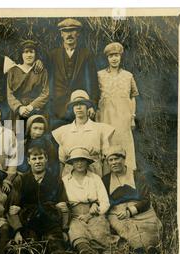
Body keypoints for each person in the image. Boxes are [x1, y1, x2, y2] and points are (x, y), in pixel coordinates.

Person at [8, 146, 68, 254]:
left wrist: (64, 229)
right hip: (28, 223)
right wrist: (17, 231)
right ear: (28, 161)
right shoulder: (21, 180)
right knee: (32, 252)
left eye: (40, 158)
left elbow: (64, 206)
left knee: (57, 253)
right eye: (34, 159)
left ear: (46, 159)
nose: (38, 162)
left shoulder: (55, 180)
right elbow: (12, 209)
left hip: (50, 223)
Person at [102, 146, 162, 254]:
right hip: (117, 212)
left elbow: (145, 200)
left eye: (117, 159)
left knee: (149, 225)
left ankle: (151, 248)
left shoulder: (138, 176)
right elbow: (104, 200)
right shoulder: (105, 180)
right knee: (127, 227)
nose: (114, 163)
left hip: (140, 208)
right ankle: (138, 248)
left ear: (124, 159)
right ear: (108, 163)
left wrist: (130, 211)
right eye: (111, 160)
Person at [61, 147, 119, 254]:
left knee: (99, 230)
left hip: (94, 214)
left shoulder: (95, 178)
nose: (79, 163)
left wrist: (94, 209)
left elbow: (105, 202)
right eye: (76, 160)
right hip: (74, 216)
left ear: (87, 162)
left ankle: (100, 248)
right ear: (71, 163)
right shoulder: (65, 180)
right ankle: (85, 250)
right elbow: (61, 201)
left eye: (82, 160)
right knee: (75, 230)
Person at [46, 18, 99, 130]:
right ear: (61, 34)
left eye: (72, 31)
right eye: (65, 31)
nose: (69, 34)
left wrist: (91, 105)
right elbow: (48, 81)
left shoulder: (86, 55)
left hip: (80, 108)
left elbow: (92, 83)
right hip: (57, 108)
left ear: (78, 33)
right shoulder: (53, 55)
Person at [52, 90, 114, 177]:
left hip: (95, 174)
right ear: (72, 108)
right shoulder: (63, 131)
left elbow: (106, 159)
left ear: (87, 107)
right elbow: (61, 161)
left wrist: (105, 182)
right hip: (70, 177)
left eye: (82, 104)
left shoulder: (100, 129)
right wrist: (60, 183)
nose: (78, 107)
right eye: (75, 105)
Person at [97, 42, 139, 170]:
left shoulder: (128, 76)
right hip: (106, 116)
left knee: (124, 144)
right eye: (111, 56)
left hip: (123, 117)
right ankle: (107, 178)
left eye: (116, 55)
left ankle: (126, 178)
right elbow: (96, 96)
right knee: (107, 143)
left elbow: (133, 97)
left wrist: (132, 117)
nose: (114, 59)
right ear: (107, 58)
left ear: (120, 57)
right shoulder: (100, 75)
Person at [7, 40, 49, 131]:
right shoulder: (13, 71)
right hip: (18, 111)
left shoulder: (41, 71)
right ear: (21, 54)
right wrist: (19, 108)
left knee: (35, 135)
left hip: (36, 110)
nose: (29, 55)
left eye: (31, 52)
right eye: (25, 52)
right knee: (17, 137)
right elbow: (9, 93)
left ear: (35, 54)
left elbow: (45, 93)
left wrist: (31, 106)